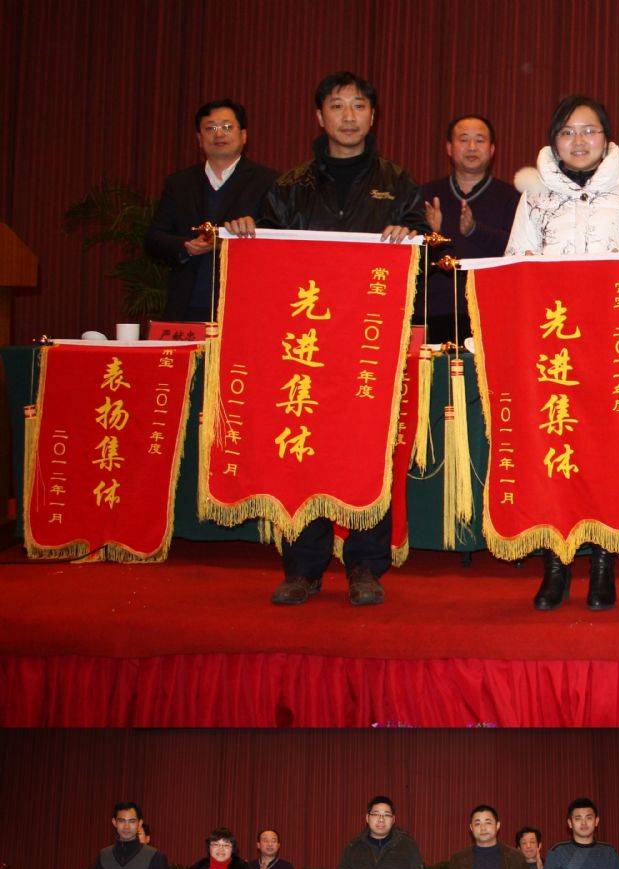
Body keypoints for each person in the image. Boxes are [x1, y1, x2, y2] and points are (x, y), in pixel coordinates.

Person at [224, 71, 428, 609]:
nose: (348, 116)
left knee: (366, 448)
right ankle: (303, 568)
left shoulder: (397, 182)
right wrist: (247, 231)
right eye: (337, 106)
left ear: (373, 116)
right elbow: (266, 249)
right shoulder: (290, 185)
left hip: (368, 342)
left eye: (358, 105)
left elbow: (423, 249)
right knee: (303, 444)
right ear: (320, 117)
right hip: (305, 341)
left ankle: (364, 565)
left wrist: (413, 233)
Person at [504, 94, 619, 612]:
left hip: (610, 348)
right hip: (553, 348)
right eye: (567, 131)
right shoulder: (534, 195)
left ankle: (602, 562)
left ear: (607, 139)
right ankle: (556, 563)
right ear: (554, 140)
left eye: (589, 130)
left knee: (605, 455)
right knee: (556, 450)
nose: (579, 140)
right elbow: (516, 263)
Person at [144, 99, 278, 324]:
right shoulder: (179, 184)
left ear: (243, 135)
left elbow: (279, 242)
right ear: (199, 138)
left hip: (244, 307)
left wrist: (251, 232)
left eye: (227, 127)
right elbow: (153, 239)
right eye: (210, 128)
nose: (219, 134)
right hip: (186, 307)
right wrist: (186, 247)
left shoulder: (269, 182)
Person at [419, 114, 519, 343]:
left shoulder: (511, 198)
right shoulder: (425, 194)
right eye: (463, 139)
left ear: (492, 149)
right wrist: (431, 235)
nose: (472, 147)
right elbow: (410, 261)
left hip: (490, 312)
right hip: (431, 313)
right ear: (449, 148)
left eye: (480, 140)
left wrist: (475, 230)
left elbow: (515, 253)